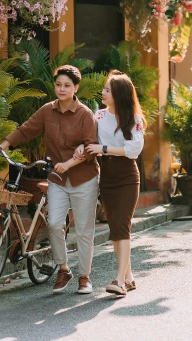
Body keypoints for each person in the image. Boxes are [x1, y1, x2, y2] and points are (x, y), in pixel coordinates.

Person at [0, 65, 98, 295]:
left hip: (83, 179)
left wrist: (68, 164)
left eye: (67, 85)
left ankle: (85, 277)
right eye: (58, 84)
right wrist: (2, 145)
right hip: (57, 179)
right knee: (55, 224)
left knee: (85, 230)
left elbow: (90, 148)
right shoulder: (47, 111)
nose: (62, 89)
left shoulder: (85, 114)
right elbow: (26, 130)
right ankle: (64, 269)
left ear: (76, 88)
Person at [75, 70, 145, 296]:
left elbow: (134, 150)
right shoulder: (100, 116)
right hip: (106, 176)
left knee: (122, 227)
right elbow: (90, 139)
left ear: (120, 94)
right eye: (104, 89)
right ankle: (129, 277)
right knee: (116, 228)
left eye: (108, 90)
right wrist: (82, 147)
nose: (103, 93)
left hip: (126, 176)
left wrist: (104, 148)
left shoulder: (134, 119)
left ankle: (119, 281)